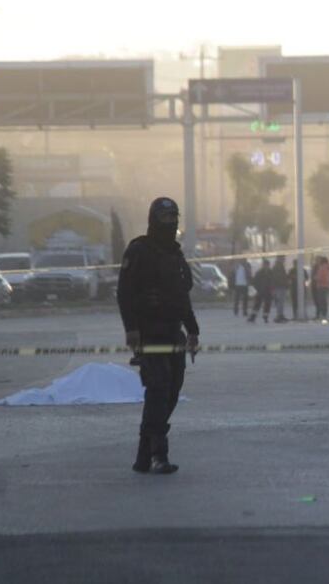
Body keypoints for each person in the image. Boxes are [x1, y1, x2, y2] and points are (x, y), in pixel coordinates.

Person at [117, 197, 200, 475]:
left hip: (173, 333)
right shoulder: (139, 250)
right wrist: (131, 330)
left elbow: (182, 297)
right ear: (154, 219)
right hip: (149, 334)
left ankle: (143, 455)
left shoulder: (175, 254)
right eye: (165, 217)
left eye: (174, 216)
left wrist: (193, 330)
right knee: (158, 391)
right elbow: (125, 294)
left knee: (172, 393)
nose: (171, 222)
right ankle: (158, 455)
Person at [269, 256, 289, 323]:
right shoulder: (278, 267)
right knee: (280, 302)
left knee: (281, 302)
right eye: (283, 259)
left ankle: (281, 315)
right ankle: (279, 316)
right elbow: (276, 277)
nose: (284, 260)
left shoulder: (280, 266)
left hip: (280, 286)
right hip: (279, 286)